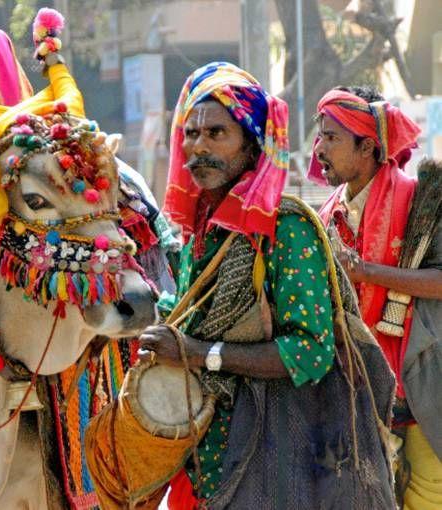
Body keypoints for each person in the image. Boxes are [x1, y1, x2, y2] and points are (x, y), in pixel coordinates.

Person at [85, 62, 396, 509]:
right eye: (191, 134)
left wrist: (199, 355)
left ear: (252, 145)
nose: (199, 147)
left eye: (217, 134)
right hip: (206, 456)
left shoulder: (286, 228)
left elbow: (310, 351)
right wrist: (122, 322)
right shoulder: (205, 229)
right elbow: (190, 311)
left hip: (277, 459)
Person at [310, 85, 442, 509]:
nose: (318, 149)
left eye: (331, 138)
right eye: (319, 136)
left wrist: (366, 271)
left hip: (421, 380)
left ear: (367, 146)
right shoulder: (326, 212)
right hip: (355, 393)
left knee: (428, 497)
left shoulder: (420, 199)